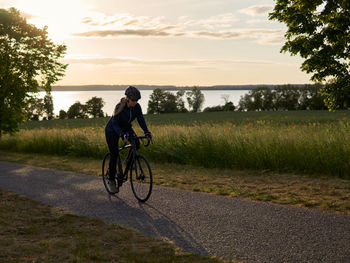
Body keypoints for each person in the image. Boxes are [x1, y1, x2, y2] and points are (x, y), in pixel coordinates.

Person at [105, 86, 152, 193]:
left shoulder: (137, 107)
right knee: (114, 154)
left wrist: (146, 131)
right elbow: (115, 124)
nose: (135, 102)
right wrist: (122, 135)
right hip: (112, 130)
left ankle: (128, 163)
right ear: (127, 99)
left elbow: (141, 120)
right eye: (133, 100)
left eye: (137, 100)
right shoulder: (119, 107)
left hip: (126, 128)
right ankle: (111, 181)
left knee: (136, 143)